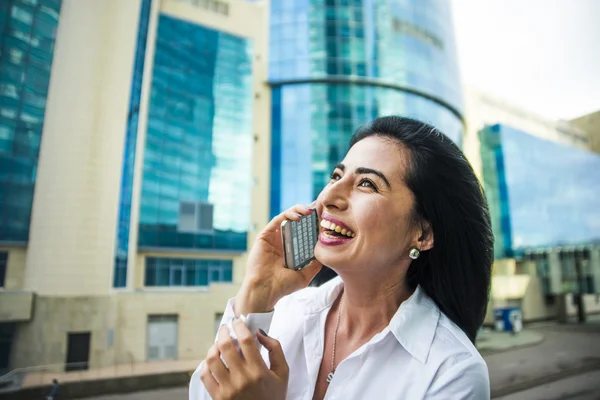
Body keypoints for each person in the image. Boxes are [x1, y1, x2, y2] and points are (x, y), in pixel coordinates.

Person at [189, 116, 493, 399]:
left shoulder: (453, 371)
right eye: (336, 176)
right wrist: (256, 291)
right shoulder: (284, 311)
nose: (329, 197)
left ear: (423, 234)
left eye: (367, 184)